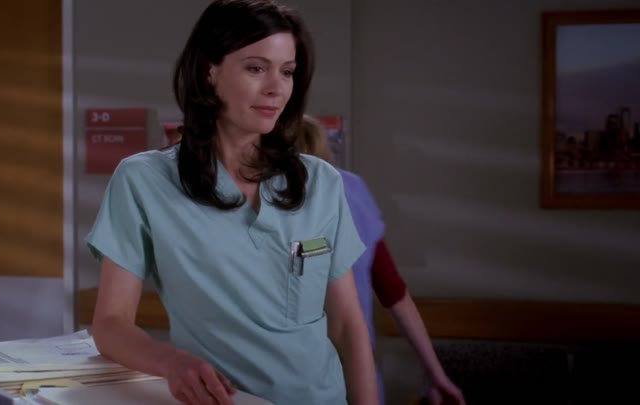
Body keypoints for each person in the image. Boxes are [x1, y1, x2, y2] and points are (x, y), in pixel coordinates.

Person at [85, 1, 378, 404]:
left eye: (287, 71)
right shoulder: (144, 181)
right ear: (210, 71)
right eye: (256, 68)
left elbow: (347, 327)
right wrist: (172, 363)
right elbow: (110, 324)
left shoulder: (321, 182)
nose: (276, 88)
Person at [296, 115, 465, 405]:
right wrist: (435, 372)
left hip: (307, 377)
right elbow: (393, 292)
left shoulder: (278, 203)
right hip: (359, 374)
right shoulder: (351, 190)